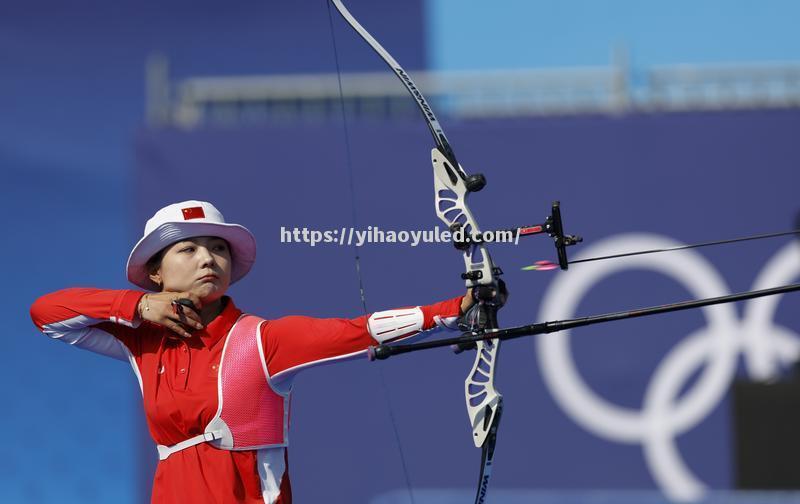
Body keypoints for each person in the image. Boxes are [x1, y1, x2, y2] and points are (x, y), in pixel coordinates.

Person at [29, 200, 475, 504]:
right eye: (188, 249)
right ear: (156, 273)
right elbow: (46, 313)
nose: (208, 259)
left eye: (218, 249)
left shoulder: (263, 340)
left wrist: (458, 308)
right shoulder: (141, 340)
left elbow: (359, 331)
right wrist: (138, 306)